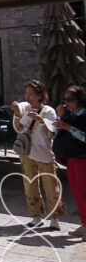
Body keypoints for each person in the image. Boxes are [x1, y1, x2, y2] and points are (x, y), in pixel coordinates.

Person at [10, 79, 64, 229]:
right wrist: (17, 114)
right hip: (27, 152)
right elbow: (18, 129)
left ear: (40, 95)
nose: (28, 97)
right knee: (30, 185)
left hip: (44, 153)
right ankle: (36, 216)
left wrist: (41, 121)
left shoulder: (49, 111)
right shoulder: (24, 108)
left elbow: (52, 134)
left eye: (31, 93)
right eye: (26, 93)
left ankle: (55, 218)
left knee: (51, 187)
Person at [52, 84, 86, 238]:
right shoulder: (70, 115)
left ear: (79, 99)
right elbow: (61, 131)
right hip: (72, 157)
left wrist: (68, 127)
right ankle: (84, 224)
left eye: (69, 100)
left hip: (82, 158)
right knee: (76, 191)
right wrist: (60, 119)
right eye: (64, 99)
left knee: (83, 191)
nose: (66, 103)